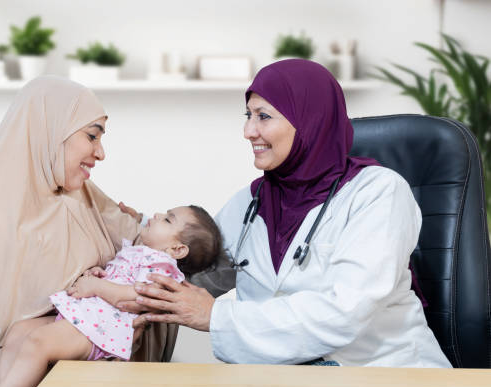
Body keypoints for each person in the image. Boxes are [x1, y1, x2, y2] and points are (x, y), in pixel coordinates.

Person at [119, 59, 452, 367]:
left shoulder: (377, 193)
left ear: (309, 121)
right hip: (285, 383)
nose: (249, 131)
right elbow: (193, 273)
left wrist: (216, 316)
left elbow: (346, 311)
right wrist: (135, 240)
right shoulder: (249, 204)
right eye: (247, 116)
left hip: (384, 377)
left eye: (263, 116)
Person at [0, 76, 179, 387]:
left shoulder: (83, 198)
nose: (100, 152)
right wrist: (53, 351)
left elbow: (167, 252)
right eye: (91, 135)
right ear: (48, 131)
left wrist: (115, 321)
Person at [0, 205, 222, 387]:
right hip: (87, 318)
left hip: (100, 333)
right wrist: (102, 275)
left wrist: (96, 286)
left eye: (168, 220)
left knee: (37, 342)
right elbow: (121, 279)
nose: (156, 215)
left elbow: (136, 297)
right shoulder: (141, 253)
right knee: (21, 330)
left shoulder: (164, 269)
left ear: (177, 249)